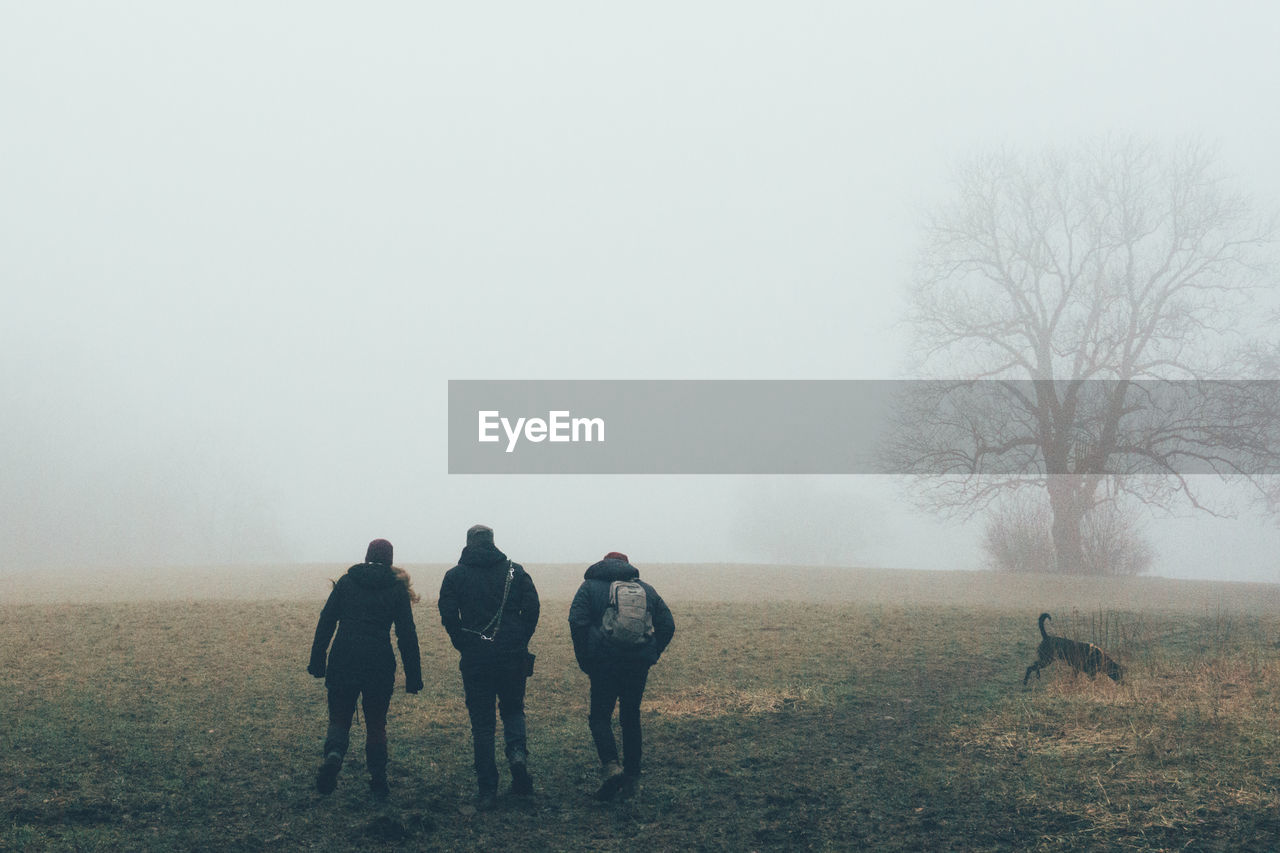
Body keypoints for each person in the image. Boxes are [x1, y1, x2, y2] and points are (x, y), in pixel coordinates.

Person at [307, 538, 422, 799]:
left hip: (342, 659)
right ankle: (378, 778)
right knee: (376, 723)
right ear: (390, 560)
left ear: (367, 555)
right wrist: (413, 676)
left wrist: (317, 660)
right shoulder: (396, 588)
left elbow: (326, 621)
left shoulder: (347, 582)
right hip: (378, 663)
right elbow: (407, 635)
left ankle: (334, 756)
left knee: (339, 717)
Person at [438, 524, 540, 810]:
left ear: (468, 543)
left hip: (475, 658)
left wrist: (462, 641)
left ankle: (487, 789)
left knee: (482, 725)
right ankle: (518, 757)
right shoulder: (514, 571)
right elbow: (533, 608)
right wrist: (520, 638)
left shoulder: (455, 575)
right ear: (493, 542)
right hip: (512, 655)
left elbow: (447, 613)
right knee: (513, 710)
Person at [568, 551, 675, 801]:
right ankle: (632, 778)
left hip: (603, 664)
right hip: (637, 664)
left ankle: (611, 766)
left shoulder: (589, 587)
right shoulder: (646, 589)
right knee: (630, 716)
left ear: (603, 564)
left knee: (600, 716)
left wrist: (586, 658)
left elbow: (577, 622)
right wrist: (651, 653)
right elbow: (668, 625)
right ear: (628, 567)